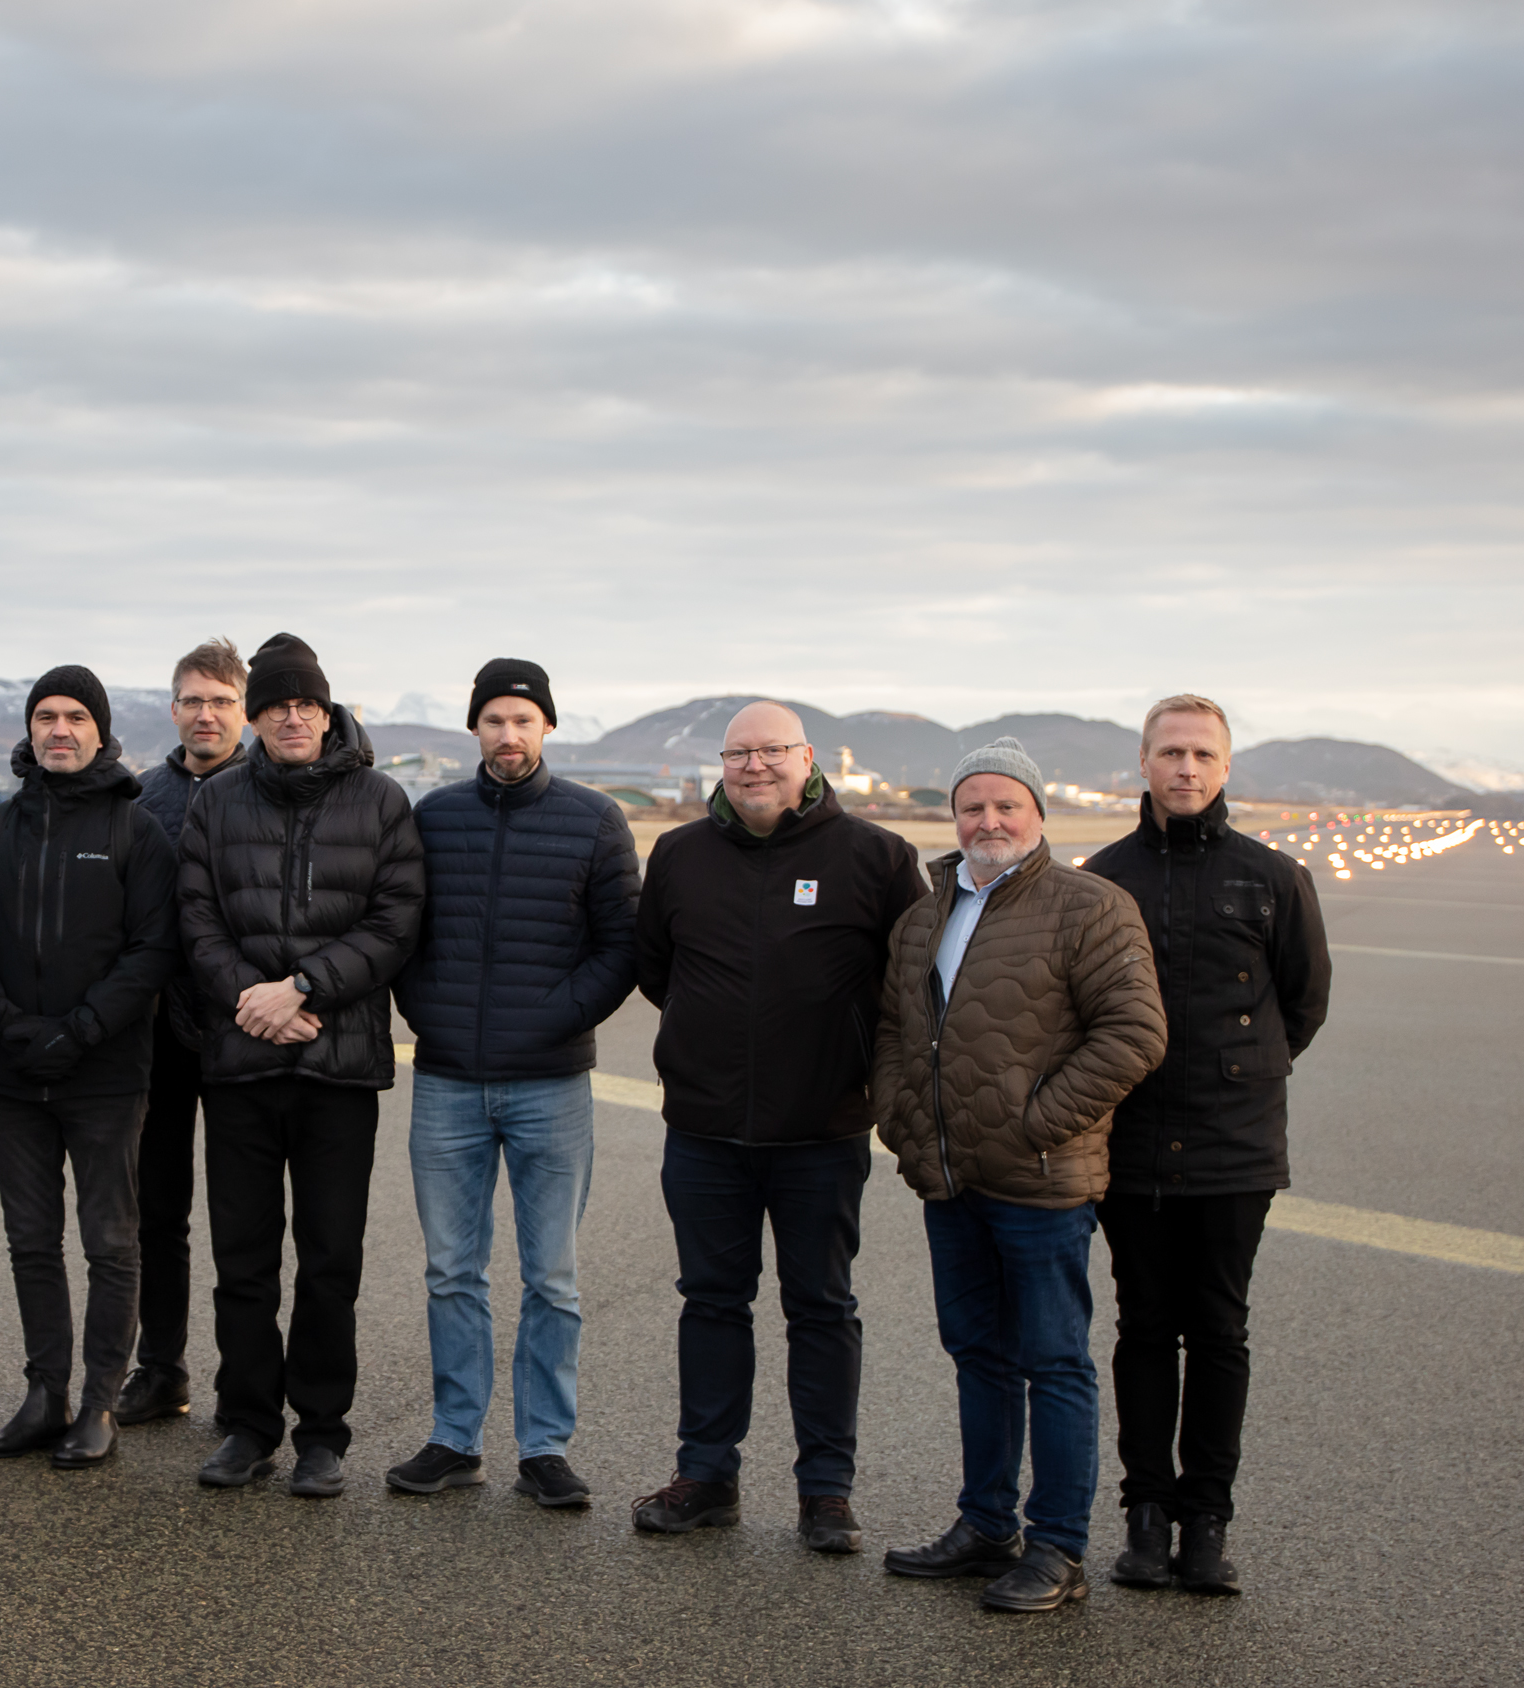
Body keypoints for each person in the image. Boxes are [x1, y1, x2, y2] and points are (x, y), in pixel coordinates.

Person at [873, 739, 1165, 1612]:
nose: (989, 821)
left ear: (1039, 815)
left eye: (1007, 806)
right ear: (953, 818)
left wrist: (1034, 1122)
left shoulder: (1090, 907)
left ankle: (1059, 1548)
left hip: (1042, 1183)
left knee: (1054, 1361)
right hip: (950, 1178)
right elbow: (893, 1030)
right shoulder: (927, 914)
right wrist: (903, 1117)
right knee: (978, 1355)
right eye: (973, 808)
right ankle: (985, 1523)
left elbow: (1134, 1035)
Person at [626, 700, 925, 1548]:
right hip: (705, 1130)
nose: (755, 767)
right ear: (721, 764)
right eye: (738, 753)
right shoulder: (681, 855)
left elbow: (909, 982)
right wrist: (703, 1034)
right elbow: (658, 967)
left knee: (822, 1309)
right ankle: (707, 1474)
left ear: (808, 759)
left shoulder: (876, 855)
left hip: (822, 1133)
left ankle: (825, 1490)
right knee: (712, 1304)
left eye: (772, 751)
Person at [1081, 695, 1331, 1595]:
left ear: (1227, 770)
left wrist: (1243, 1076)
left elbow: (1300, 1007)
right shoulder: (1103, 878)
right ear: (1141, 764)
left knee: (1220, 1329)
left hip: (1234, 1147)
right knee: (1144, 1325)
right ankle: (1145, 1517)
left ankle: (1207, 1523)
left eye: (1202, 755)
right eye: (1169, 753)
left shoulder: (1272, 878)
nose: (1185, 769)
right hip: (1133, 1139)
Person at [175, 633, 425, 1498]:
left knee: (329, 1261)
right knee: (242, 1260)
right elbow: (197, 919)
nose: (291, 716)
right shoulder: (216, 804)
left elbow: (396, 923)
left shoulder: (382, 801)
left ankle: (322, 1432)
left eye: (305, 703)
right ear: (256, 714)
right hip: (241, 1063)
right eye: (276, 703)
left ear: (327, 711)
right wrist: (254, 998)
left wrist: (304, 987)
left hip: (339, 1066)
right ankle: (248, 1425)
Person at [385, 660, 638, 1509]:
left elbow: (622, 948)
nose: (508, 735)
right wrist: (431, 1019)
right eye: (493, 720)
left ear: (548, 729)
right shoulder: (434, 819)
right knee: (452, 1271)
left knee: (552, 1278)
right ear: (475, 730)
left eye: (523, 720)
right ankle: (456, 1438)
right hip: (449, 1080)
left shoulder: (596, 822)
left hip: (552, 1086)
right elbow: (403, 934)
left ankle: (544, 1448)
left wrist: (554, 1020)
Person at [0, 667, 180, 1468]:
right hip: (12, 1074)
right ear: (30, 730)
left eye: (76, 717)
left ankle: (100, 1403)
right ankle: (46, 1395)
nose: (60, 730)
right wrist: (8, 1026)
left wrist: (80, 1029)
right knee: (30, 1240)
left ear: (100, 732)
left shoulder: (135, 831)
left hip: (105, 1074)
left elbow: (152, 950)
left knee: (110, 1242)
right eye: (46, 716)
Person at [119, 637, 249, 1427]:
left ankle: (245, 1386)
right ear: (173, 711)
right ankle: (160, 1368)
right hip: (158, 1037)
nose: (206, 714)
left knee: (244, 1222)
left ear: (246, 712)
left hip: (241, 1033)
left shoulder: (269, 792)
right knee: (156, 1214)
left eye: (222, 701)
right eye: (193, 701)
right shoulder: (141, 800)